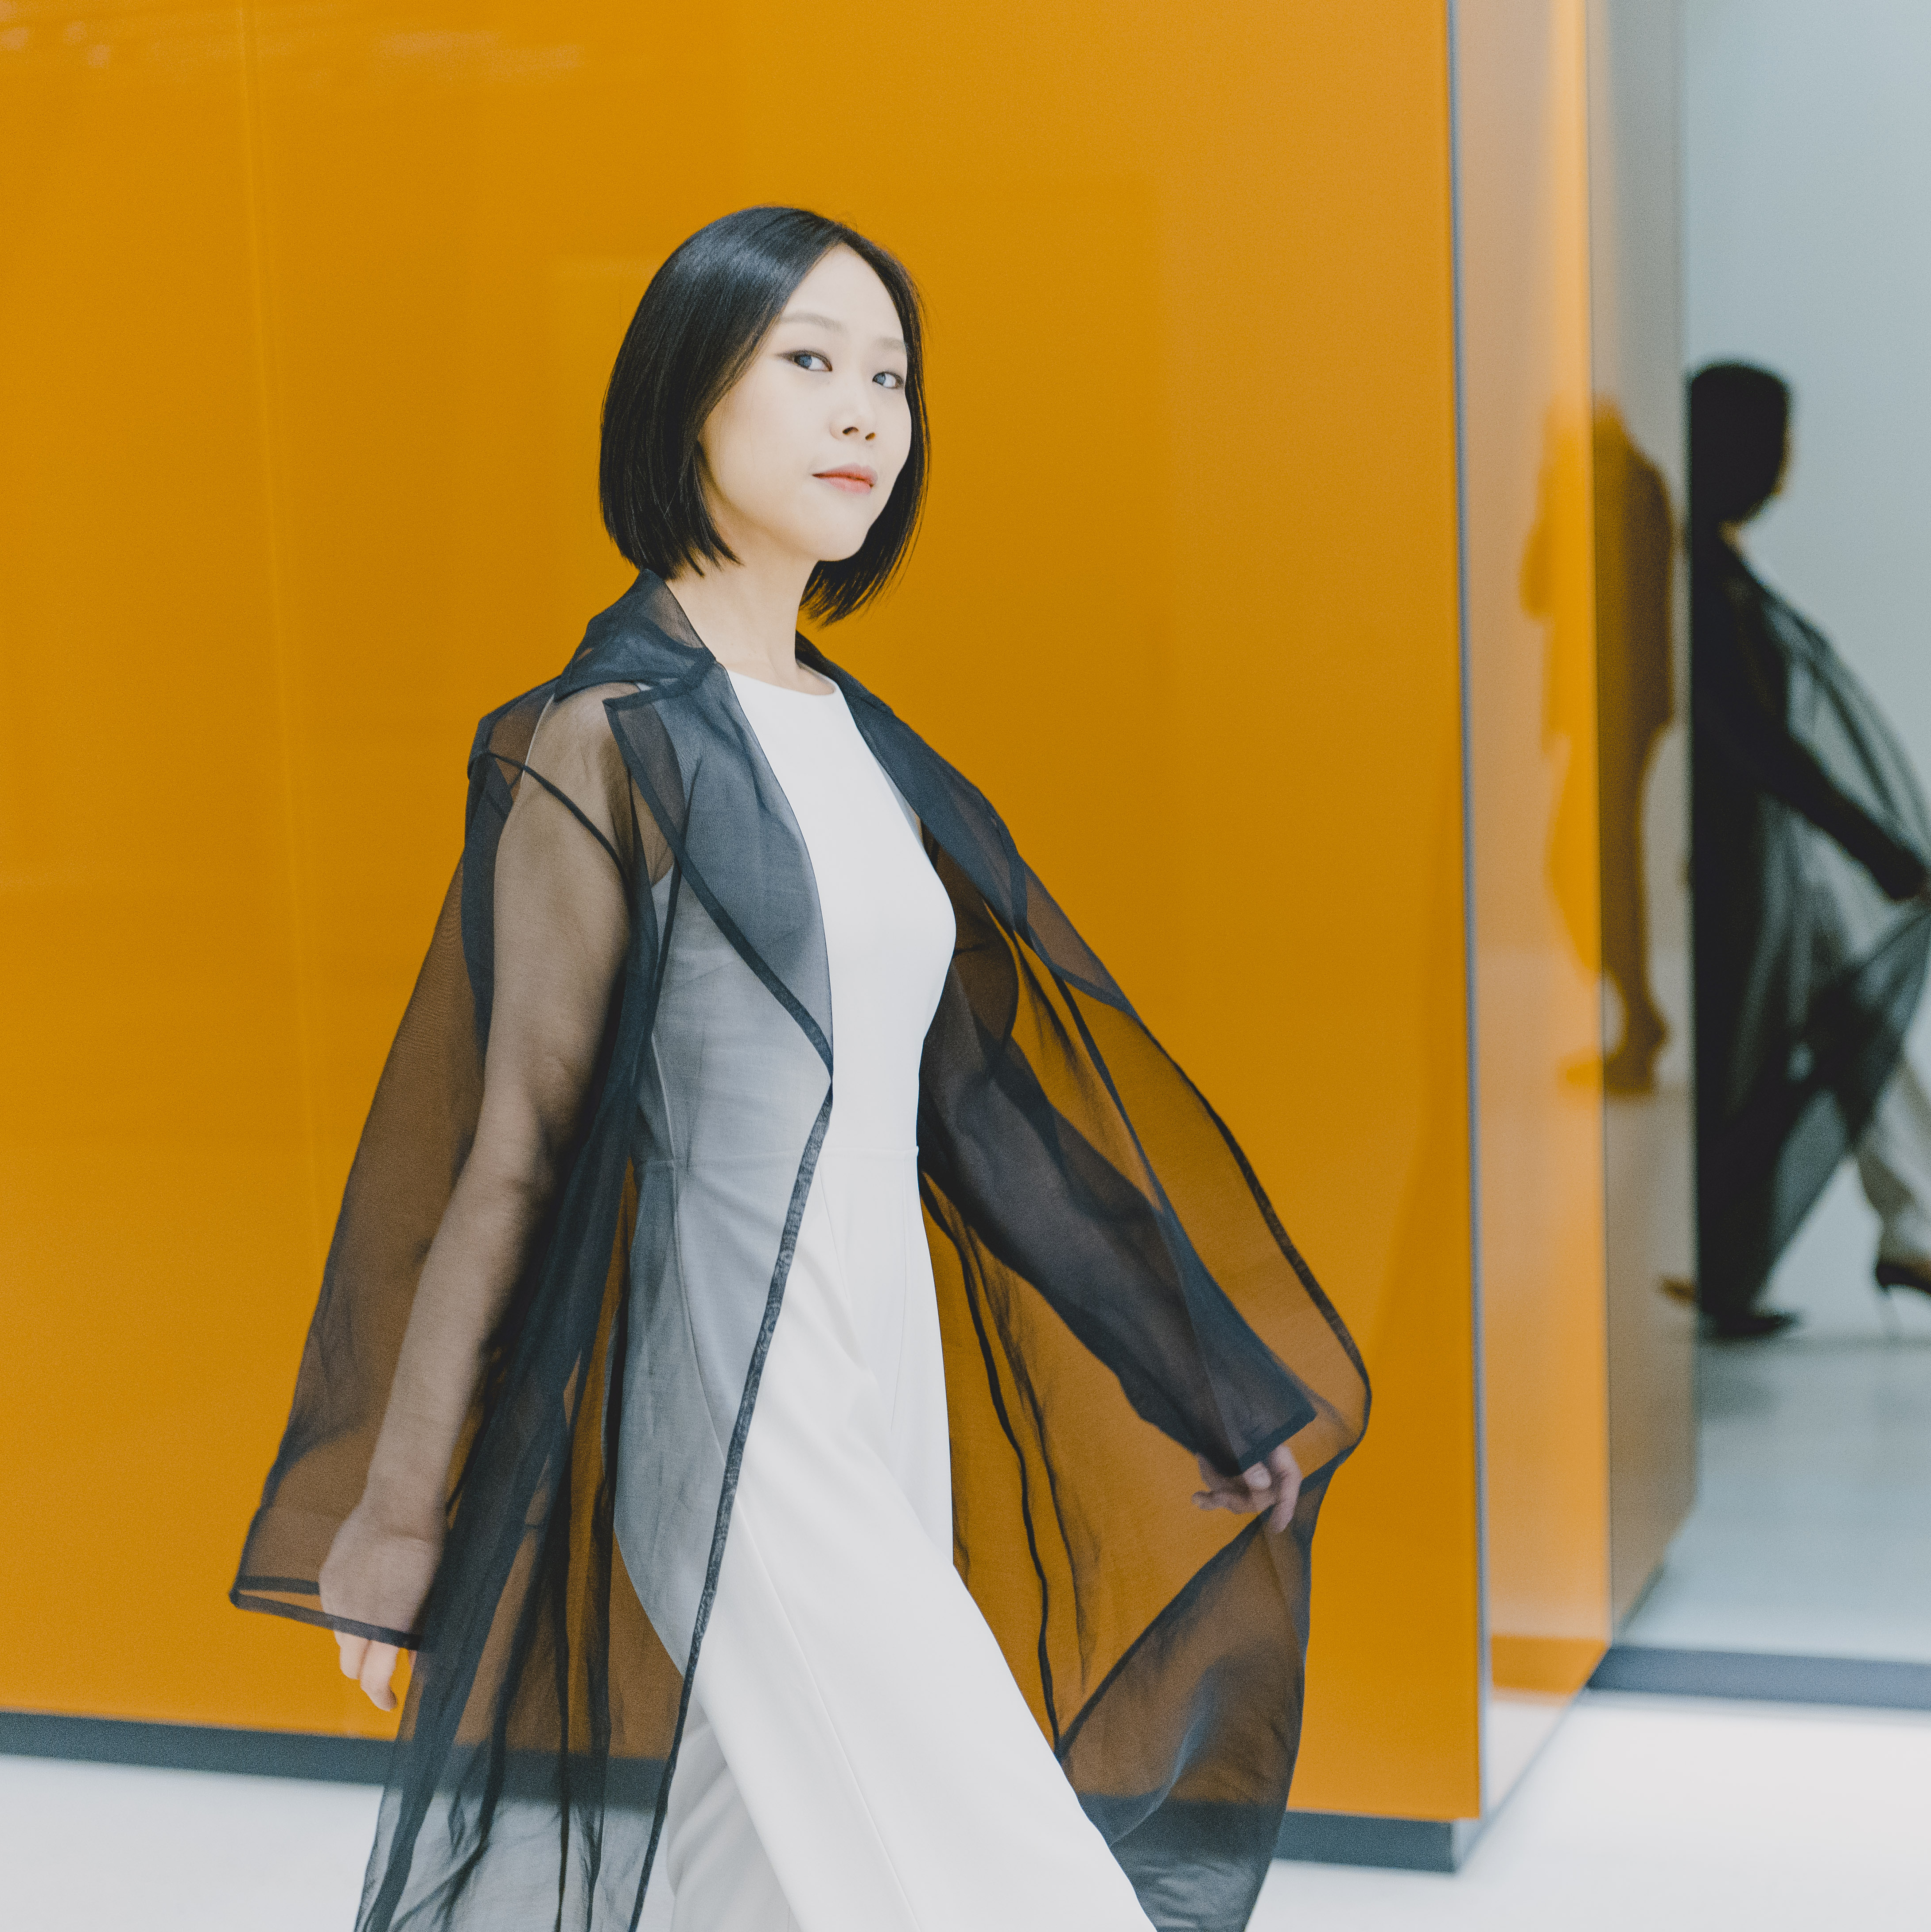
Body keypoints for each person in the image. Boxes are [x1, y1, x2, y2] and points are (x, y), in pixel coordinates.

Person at [231, 207, 1369, 1932]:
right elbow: (510, 1155)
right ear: (688, 393)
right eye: (812, 363)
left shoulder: (851, 736)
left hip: (875, 1378)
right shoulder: (600, 739)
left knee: (764, 1868)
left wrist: (1194, 1373)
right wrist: (397, 1516)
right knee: (1008, 1871)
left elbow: (979, 1114)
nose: (867, 414)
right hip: (742, 1413)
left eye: (892, 378)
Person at [1686, 360, 1931, 1340]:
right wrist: (1874, 841)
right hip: (1733, 862)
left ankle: (1901, 1231)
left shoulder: (1716, 569)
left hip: (1762, 860)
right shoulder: (1704, 580)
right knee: (1792, 1045)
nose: (1781, 475)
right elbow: (1754, 740)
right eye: (1767, 448)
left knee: (1839, 1026)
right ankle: (1856, 1243)